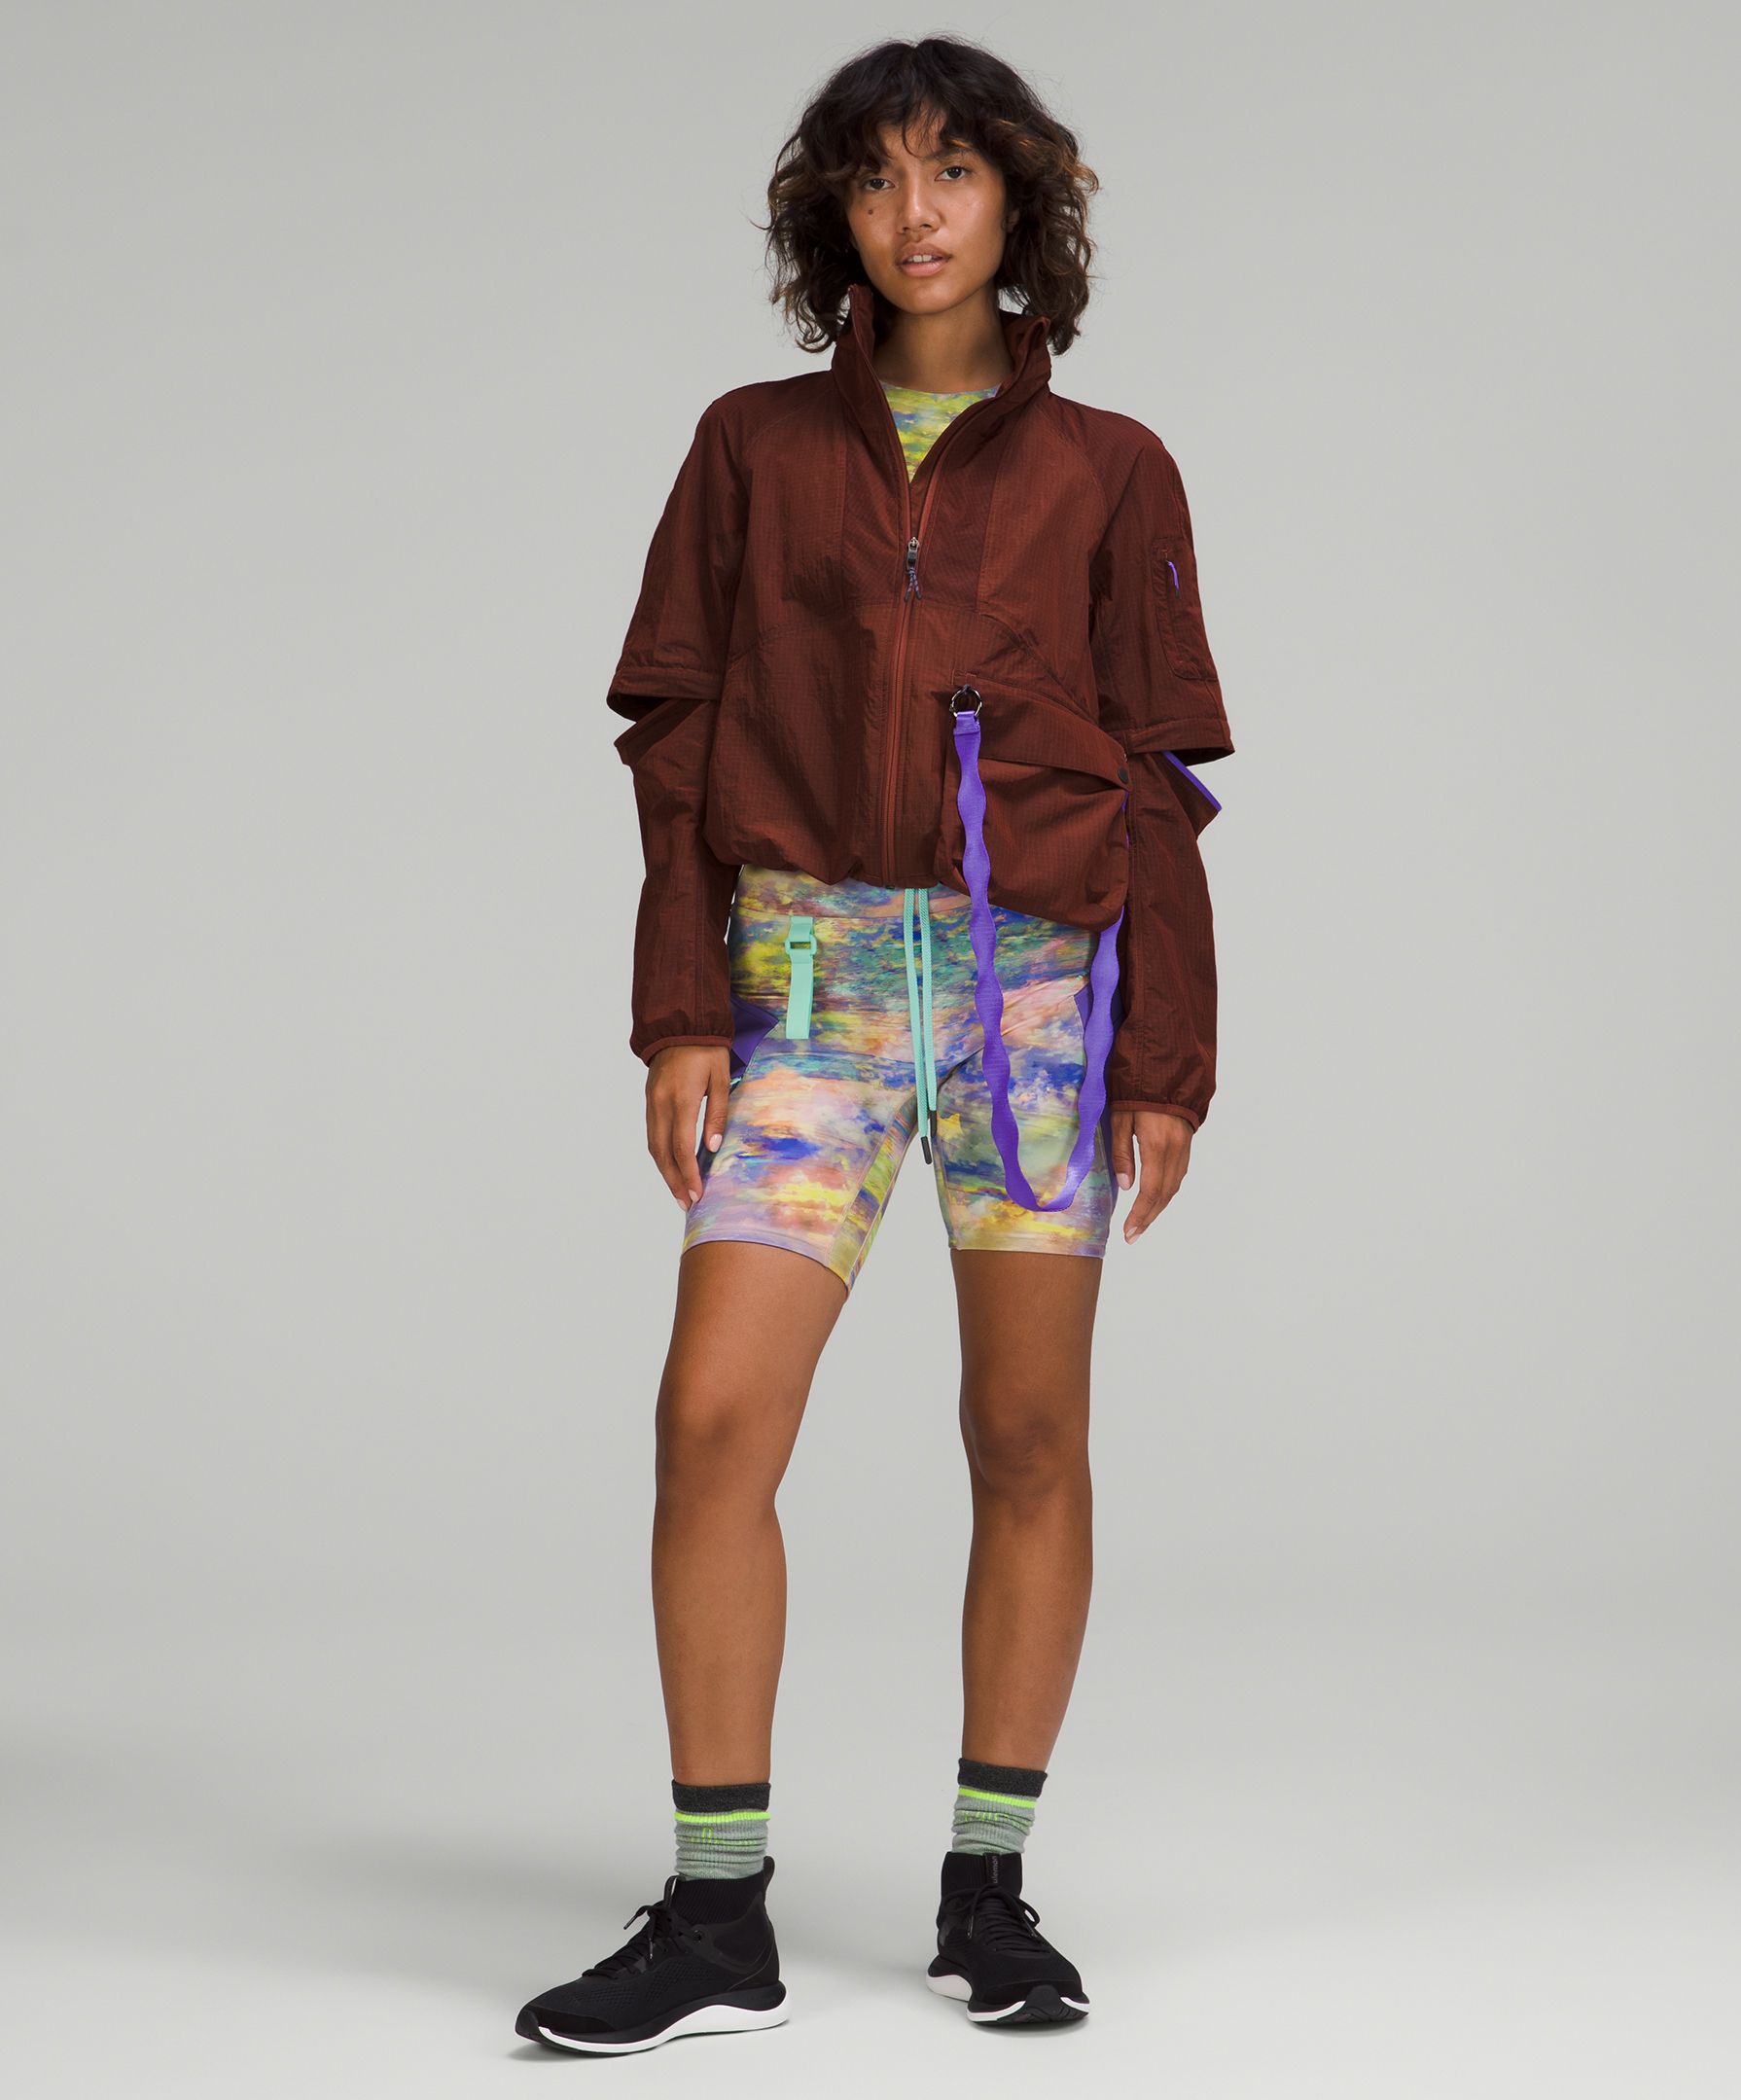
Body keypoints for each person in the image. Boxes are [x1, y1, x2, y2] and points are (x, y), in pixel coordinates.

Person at [515, 33, 1232, 2055]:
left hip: (1035, 997)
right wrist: (681, 1008)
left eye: (955, 172)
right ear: (831, 213)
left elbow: (1164, 777)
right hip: (809, 978)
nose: (917, 214)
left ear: (1019, 204)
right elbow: (674, 742)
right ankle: (715, 1916)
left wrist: (1164, 1059)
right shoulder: (751, 447)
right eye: (877, 177)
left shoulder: (1113, 468)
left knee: (1027, 1436)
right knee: (713, 1419)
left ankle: (987, 1892)